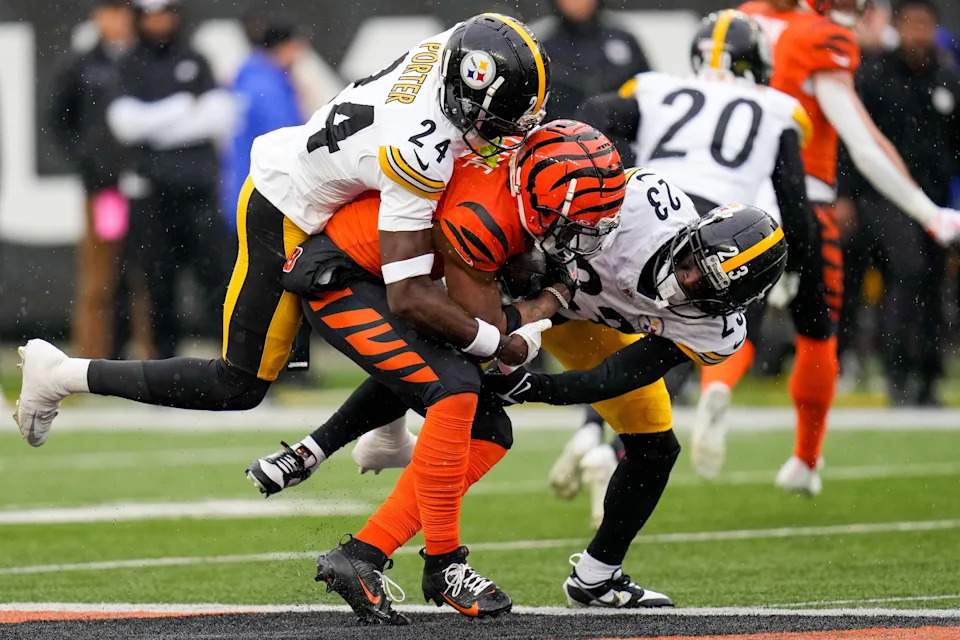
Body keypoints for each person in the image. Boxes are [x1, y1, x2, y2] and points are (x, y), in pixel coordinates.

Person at [15, 10, 552, 622]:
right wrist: (494, 342)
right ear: (462, 92)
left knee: (434, 348)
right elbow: (408, 296)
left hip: (348, 199)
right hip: (290, 212)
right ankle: (62, 374)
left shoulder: (458, 46)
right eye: (495, 121)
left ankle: (387, 430)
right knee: (240, 382)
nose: (503, 134)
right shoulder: (420, 147)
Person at [252, 170, 787, 611]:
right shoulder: (642, 207)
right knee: (449, 377)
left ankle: (597, 578)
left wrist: (536, 387)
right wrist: (517, 308)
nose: (686, 283)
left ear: (734, 305)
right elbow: (548, 216)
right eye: (693, 265)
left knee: (653, 446)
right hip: (521, 288)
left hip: (589, 325)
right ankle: (320, 452)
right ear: (693, 234)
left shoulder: (716, 329)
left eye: (705, 290)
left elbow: (618, 375)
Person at [250, 121, 625, 623]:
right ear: (535, 199)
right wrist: (546, 303)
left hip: (398, 284)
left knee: (489, 430)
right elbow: (492, 335)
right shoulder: (485, 217)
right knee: (456, 389)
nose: (581, 234)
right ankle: (444, 562)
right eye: (573, 219)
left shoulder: (516, 174)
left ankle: (361, 553)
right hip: (349, 280)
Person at [689, 0, 960, 496]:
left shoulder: (742, 20)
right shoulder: (820, 38)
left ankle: (715, 387)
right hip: (803, 198)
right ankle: (805, 460)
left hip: (733, 202)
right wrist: (928, 211)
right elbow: (863, 142)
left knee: (728, 319)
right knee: (818, 331)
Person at [553, 10, 815, 496]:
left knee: (615, 319)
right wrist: (796, 266)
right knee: (673, 342)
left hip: (651, 210)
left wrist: (599, 173)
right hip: (718, 230)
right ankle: (625, 443)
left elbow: (595, 113)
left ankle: (592, 431)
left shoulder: (658, 89)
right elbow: (795, 202)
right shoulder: (774, 108)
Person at [837, 0, 960, 405]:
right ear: (897, 26)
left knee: (932, 280)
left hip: (935, 199)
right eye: (910, 24)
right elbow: (850, 141)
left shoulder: (946, 76)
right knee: (908, 272)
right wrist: (845, 195)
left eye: (925, 25)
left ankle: (928, 375)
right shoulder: (873, 75)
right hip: (883, 197)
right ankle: (898, 370)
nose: (917, 33)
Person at [105, 0, 235, 359]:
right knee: (158, 286)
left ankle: (234, 367)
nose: (159, 22)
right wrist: (182, 107)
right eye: (151, 15)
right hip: (151, 195)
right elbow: (124, 125)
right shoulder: (129, 63)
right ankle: (165, 371)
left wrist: (154, 125)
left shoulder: (196, 58)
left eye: (165, 14)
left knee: (217, 281)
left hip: (199, 193)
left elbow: (220, 117)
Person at [49, 0, 135, 360]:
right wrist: (91, 159)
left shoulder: (145, 60)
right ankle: (88, 361)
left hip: (148, 189)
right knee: (100, 278)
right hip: (108, 192)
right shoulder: (82, 64)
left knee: (147, 279)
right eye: (110, 11)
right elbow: (58, 120)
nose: (117, 20)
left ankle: (152, 365)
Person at [221, 15, 307, 230]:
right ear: (284, 47)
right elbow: (290, 144)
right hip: (266, 198)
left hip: (242, 193)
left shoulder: (249, 79)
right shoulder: (269, 90)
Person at [535, 0, 649, 120]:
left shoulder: (623, 40)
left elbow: (650, 88)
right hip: (566, 135)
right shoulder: (544, 47)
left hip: (621, 132)